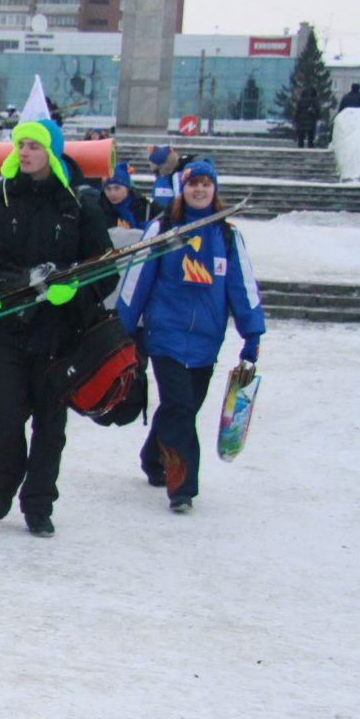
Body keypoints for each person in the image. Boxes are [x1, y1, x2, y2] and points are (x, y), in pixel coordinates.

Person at [0, 118, 113, 538]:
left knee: (50, 423)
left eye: (33, 146)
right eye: (20, 145)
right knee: (3, 415)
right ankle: (7, 478)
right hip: (8, 327)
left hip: (60, 334)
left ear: (53, 153)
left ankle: (39, 503)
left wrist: (76, 288)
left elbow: (107, 269)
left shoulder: (79, 204)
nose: (23, 153)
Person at [115, 158, 264, 513]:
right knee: (180, 407)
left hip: (205, 342)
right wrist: (122, 329)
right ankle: (183, 486)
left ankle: (153, 458)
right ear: (183, 189)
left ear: (215, 190)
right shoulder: (163, 229)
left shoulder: (227, 236)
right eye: (193, 183)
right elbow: (137, 280)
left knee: (183, 408)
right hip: (165, 336)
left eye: (206, 184)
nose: (199, 189)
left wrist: (252, 333)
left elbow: (243, 288)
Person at [99, 161, 151, 232]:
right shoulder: (99, 209)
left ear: (127, 188)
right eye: (108, 189)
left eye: (117, 188)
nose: (112, 193)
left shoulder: (147, 208)